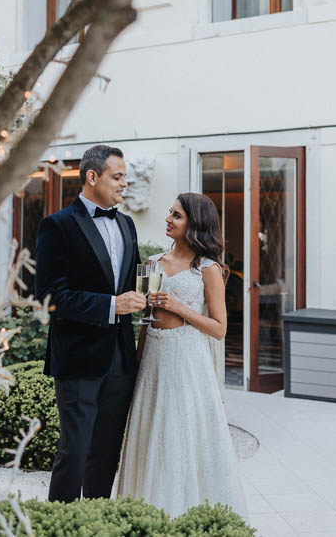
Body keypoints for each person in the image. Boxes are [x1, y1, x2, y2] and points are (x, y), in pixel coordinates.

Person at [116, 192, 247, 518]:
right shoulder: (152, 264)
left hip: (188, 361)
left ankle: (184, 511)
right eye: (170, 213)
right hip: (153, 361)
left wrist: (178, 307)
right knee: (150, 433)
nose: (168, 219)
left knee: (182, 435)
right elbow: (145, 320)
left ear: (194, 224)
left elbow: (219, 328)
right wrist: (135, 363)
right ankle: (146, 509)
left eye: (176, 215)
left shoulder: (208, 269)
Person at [34, 144, 146, 502]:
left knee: (106, 454)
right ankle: (60, 524)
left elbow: (131, 285)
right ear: (92, 177)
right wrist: (112, 305)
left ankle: (95, 520)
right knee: (75, 453)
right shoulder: (57, 226)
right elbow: (50, 297)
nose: (124, 184)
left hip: (120, 359)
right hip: (78, 358)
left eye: (125, 177)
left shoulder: (127, 224)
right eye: (117, 177)